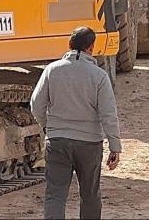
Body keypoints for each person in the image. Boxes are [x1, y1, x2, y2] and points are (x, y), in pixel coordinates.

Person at [30, 27, 121, 220]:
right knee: (90, 195)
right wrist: (115, 146)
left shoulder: (51, 70)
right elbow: (108, 114)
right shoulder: (99, 76)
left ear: (69, 45)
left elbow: (36, 105)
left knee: (55, 194)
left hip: (57, 141)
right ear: (91, 48)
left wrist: (48, 127)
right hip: (89, 144)